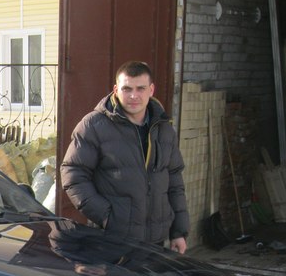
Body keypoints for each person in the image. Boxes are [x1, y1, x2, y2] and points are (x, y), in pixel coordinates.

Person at [60, 61, 189, 254]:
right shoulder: (94, 126)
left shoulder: (163, 128)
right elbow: (73, 174)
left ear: (151, 90)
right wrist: (108, 217)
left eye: (140, 88)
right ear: (115, 90)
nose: (134, 96)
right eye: (127, 89)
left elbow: (174, 181)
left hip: (156, 241)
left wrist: (178, 231)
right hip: (113, 240)